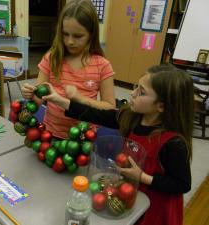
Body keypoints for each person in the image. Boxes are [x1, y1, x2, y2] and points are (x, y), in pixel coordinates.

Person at [42, 64, 194, 225]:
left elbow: (182, 184)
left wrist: (142, 177)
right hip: (128, 191)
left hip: (155, 204)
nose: (132, 93)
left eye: (141, 92)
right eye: (136, 86)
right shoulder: (133, 117)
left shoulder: (174, 143)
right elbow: (97, 115)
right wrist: (58, 99)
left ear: (161, 106)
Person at [21, 0, 116, 139]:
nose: (70, 41)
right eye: (65, 34)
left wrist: (80, 98)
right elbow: (39, 99)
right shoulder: (52, 58)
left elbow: (109, 107)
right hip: (51, 132)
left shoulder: (102, 65)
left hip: (84, 137)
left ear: (91, 34)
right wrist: (30, 94)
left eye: (78, 36)